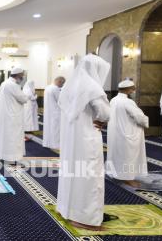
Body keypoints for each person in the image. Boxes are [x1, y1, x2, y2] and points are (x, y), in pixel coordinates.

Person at [57, 54, 111, 231]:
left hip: (72, 138)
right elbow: (104, 113)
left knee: (73, 172)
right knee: (89, 177)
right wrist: (103, 120)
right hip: (87, 137)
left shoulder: (71, 85)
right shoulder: (92, 87)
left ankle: (68, 210)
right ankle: (85, 218)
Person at [106, 79, 148, 187]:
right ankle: (128, 178)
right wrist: (145, 121)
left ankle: (116, 173)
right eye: (133, 88)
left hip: (116, 133)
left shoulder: (113, 100)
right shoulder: (127, 102)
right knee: (128, 156)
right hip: (127, 133)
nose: (134, 89)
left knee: (118, 155)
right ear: (128, 90)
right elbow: (139, 117)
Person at [0, 68, 28, 164]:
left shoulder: (4, 83)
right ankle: (11, 157)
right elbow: (23, 99)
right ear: (18, 75)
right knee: (12, 137)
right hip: (13, 116)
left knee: (5, 136)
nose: (22, 78)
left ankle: (3, 155)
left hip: (6, 115)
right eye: (22, 76)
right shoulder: (13, 85)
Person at [42, 76, 65, 149]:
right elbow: (61, 100)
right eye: (62, 83)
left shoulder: (47, 87)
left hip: (49, 112)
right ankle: (56, 144)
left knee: (49, 128)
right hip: (56, 112)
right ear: (59, 81)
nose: (62, 85)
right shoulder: (55, 88)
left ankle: (48, 143)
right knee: (56, 129)